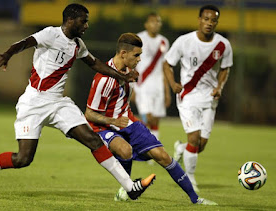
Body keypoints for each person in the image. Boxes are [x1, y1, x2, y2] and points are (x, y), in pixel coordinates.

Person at [0, 3, 156, 200]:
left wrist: (121, 77)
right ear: (71, 20)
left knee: (93, 140)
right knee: (23, 159)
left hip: (58, 103)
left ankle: (130, 187)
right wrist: (7, 55)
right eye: (84, 21)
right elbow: (24, 42)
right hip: (34, 102)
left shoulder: (78, 45)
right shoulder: (51, 34)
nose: (86, 26)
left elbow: (95, 63)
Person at [85, 32, 217, 205]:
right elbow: (89, 114)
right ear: (123, 53)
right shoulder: (103, 79)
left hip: (129, 122)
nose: (140, 59)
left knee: (162, 156)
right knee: (125, 150)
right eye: (136, 55)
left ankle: (195, 199)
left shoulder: (128, 72)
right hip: (104, 127)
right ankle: (126, 188)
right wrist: (113, 121)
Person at [163, 5, 233, 192]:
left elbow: (225, 68)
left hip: (210, 98)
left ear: (217, 22)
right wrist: (172, 84)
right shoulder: (184, 41)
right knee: (194, 138)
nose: (209, 23)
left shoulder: (223, 45)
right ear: (199, 19)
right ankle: (190, 179)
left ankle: (180, 149)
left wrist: (219, 87)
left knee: (200, 145)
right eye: (206, 19)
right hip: (188, 96)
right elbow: (167, 64)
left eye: (213, 20)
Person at [133, 12, 171, 140]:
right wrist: (131, 85)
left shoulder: (164, 42)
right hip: (142, 84)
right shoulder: (139, 39)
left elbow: (165, 67)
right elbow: (131, 63)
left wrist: (167, 91)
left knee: (155, 120)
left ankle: (153, 150)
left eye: (158, 22)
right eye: (153, 21)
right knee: (147, 117)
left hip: (158, 85)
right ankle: (141, 145)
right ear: (146, 24)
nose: (156, 24)